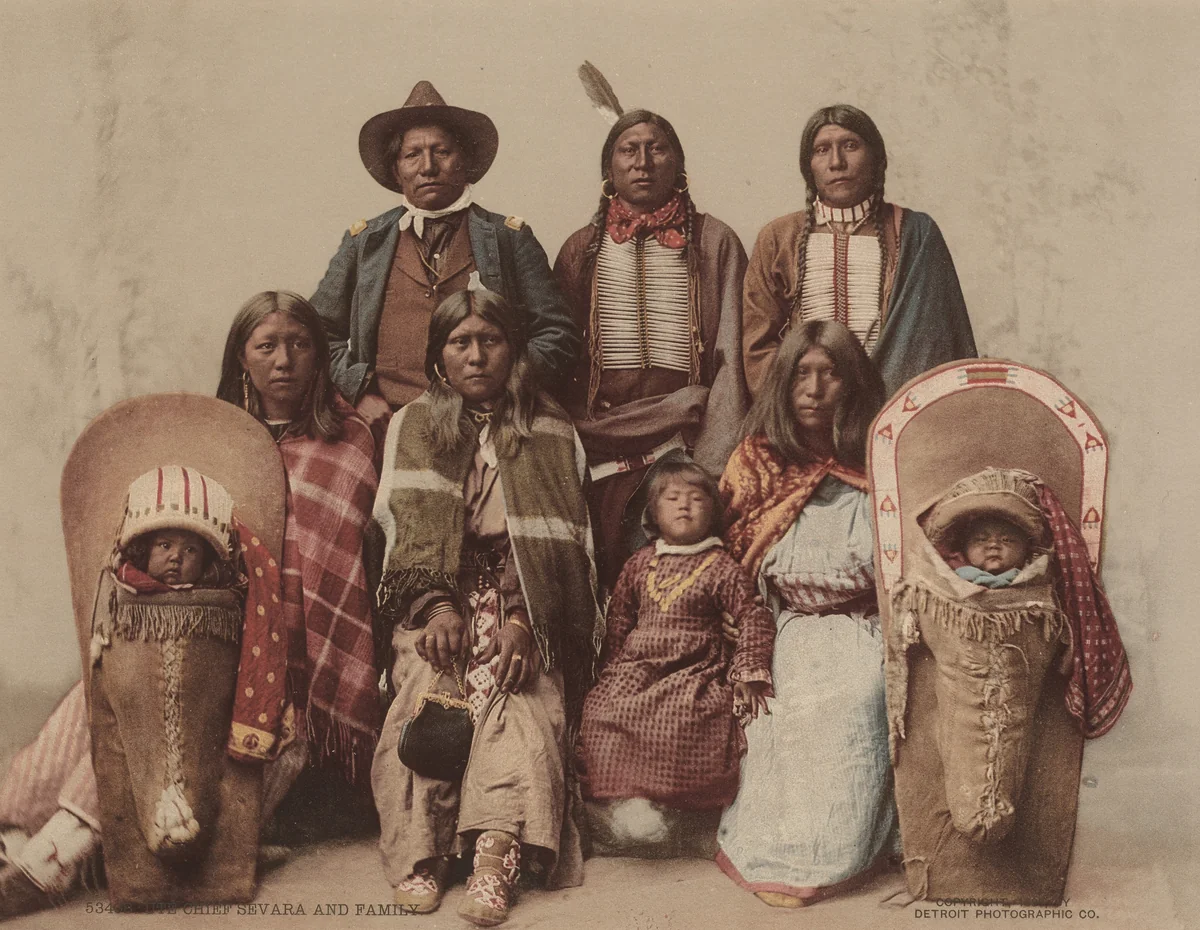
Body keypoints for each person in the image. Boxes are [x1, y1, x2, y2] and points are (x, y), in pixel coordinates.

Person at [0, 291, 381, 919]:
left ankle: (53, 860)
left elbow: (332, 573)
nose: (284, 360)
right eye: (266, 346)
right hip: (192, 637)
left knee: (161, 711)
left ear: (319, 355)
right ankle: (18, 838)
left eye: (300, 344)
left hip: (282, 685)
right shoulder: (212, 445)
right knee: (107, 688)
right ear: (242, 361)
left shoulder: (348, 445)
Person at [370, 277, 604, 927]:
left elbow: (564, 544)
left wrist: (525, 621)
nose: (475, 356)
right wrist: (438, 609)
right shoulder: (412, 427)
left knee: (519, 690)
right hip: (437, 594)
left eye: (491, 341)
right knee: (425, 684)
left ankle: (496, 851)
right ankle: (426, 850)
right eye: (460, 342)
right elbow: (403, 531)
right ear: (438, 357)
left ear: (514, 350)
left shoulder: (550, 428)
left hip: (523, 598)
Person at [0, 465, 285, 917]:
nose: (175, 557)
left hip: (183, 730)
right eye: (164, 545)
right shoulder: (122, 595)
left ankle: (54, 855)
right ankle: (17, 837)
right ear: (141, 549)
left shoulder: (218, 607)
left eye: (190, 548)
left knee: (126, 741)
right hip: (124, 703)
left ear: (209, 559)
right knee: (82, 710)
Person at [716, 320, 895, 908]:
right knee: (777, 707)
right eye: (801, 373)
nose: (813, 388)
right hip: (782, 624)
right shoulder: (757, 461)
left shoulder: (883, 459)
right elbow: (733, 557)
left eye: (830, 373)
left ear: (854, 383)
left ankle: (838, 852)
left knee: (852, 700)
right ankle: (775, 852)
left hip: (862, 626)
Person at [311, 80, 580, 443]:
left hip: (495, 428)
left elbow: (558, 334)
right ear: (396, 171)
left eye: (442, 152)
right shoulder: (365, 244)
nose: (428, 167)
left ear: (465, 162)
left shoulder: (507, 238)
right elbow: (316, 335)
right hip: (387, 427)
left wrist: (508, 385)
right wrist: (360, 390)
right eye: (412, 155)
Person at [554, 108, 749, 588]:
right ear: (609, 169)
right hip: (598, 438)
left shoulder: (714, 241)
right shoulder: (581, 250)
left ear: (679, 164)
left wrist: (711, 461)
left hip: (685, 438)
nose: (643, 162)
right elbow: (557, 361)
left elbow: (731, 360)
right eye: (628, 150)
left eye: (656, 148)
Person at [576, 460, 773, 843]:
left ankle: (680, 811)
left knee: (689, 718)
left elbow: (752, 615)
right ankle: (622, 803)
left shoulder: (722, 567)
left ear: (713, 511)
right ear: (653, 512)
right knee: (604, 712)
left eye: (697, 498)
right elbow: (620, 620)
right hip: (637, 667)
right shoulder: (640, 563)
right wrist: (611, 670)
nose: (684, 506)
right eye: (672, 498)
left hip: (693, 668)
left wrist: (748, 670)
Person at [742, 104, 976, 399]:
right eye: (822, 150)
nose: (836, 162)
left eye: (850, 146)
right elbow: (757, 349)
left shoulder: (915, 234)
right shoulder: (777, 238)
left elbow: (937, 349)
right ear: (808, 166)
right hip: (803, 412)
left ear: (876, 159)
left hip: (891, 406)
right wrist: (795, 407)